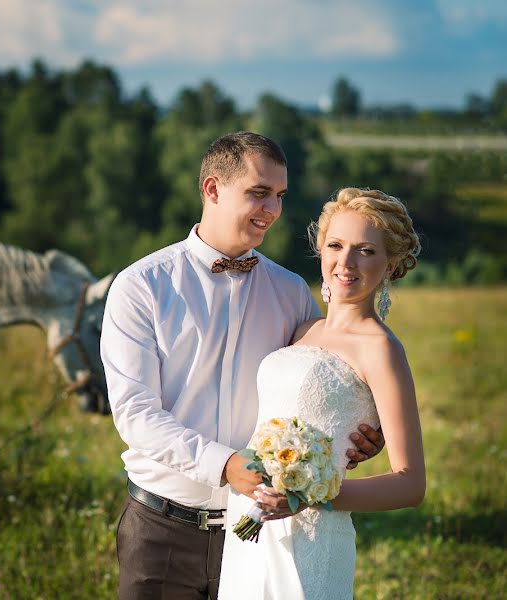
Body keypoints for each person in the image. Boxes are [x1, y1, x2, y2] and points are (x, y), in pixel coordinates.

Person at [100, 131, 384, 599]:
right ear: (212, 189)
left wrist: (357, 433)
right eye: (258, 193)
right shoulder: (141, 287)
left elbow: (321, 385)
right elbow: (135, 414)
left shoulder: (291, 292)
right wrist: (225, 464)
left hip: (261, 536)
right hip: (162, 530)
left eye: (280, 196)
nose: (272, 210)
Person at [218, 187, 425, 599]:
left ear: (391, 264)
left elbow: (410, 483)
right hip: (249, 522)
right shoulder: (303, 330)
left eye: (365, 251)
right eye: (336, 245)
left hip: (313, 536)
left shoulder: (381, 348)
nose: (345, 262)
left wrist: (309, 498)